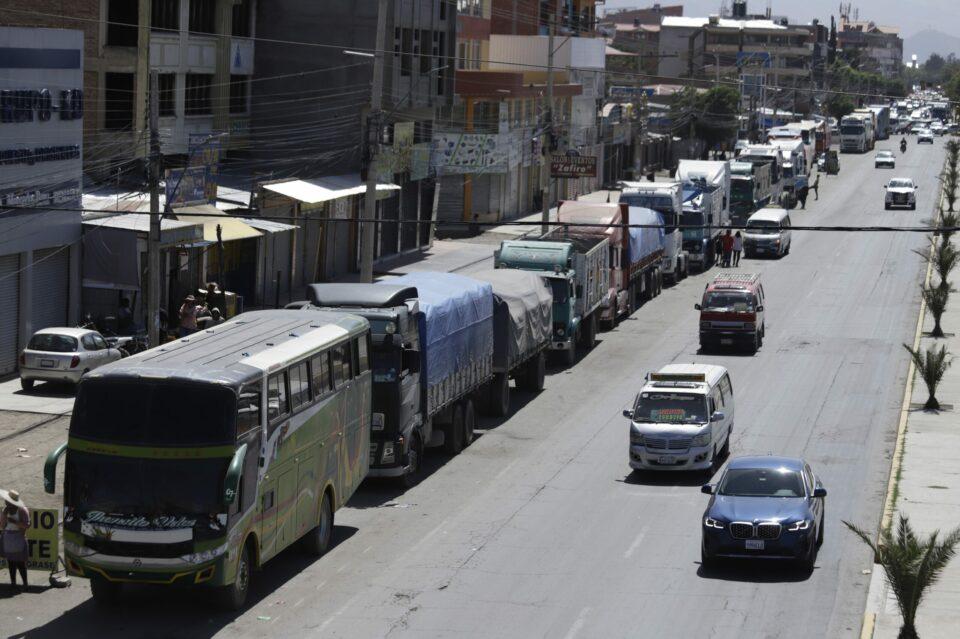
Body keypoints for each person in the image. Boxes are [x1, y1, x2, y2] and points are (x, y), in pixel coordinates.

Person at [1, 489, 30, 592]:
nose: (5, 502)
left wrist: (14, 521)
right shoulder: (5, 510)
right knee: (11, 563)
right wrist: (4, 515)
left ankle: (25, 584)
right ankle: (13, 583)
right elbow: (2, 526)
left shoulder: (22, 510)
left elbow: (27, 525)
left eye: (7, 501)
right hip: (8, 538)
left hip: (19, 538)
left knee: (21, 563)